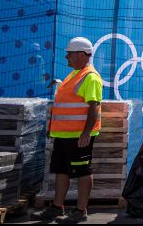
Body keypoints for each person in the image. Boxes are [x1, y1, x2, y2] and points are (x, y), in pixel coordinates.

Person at [30, 37, 102, 224]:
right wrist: (52, 128)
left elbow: (94, 106)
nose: (66, 57)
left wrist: (86, 133)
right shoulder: (73, 75)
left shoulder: (90, 77)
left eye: (69, 54)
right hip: (63, 134)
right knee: (61, 170)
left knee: (83, 172)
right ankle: (57, 207)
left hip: (79, 136)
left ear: (80, 54)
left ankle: (80, 210)